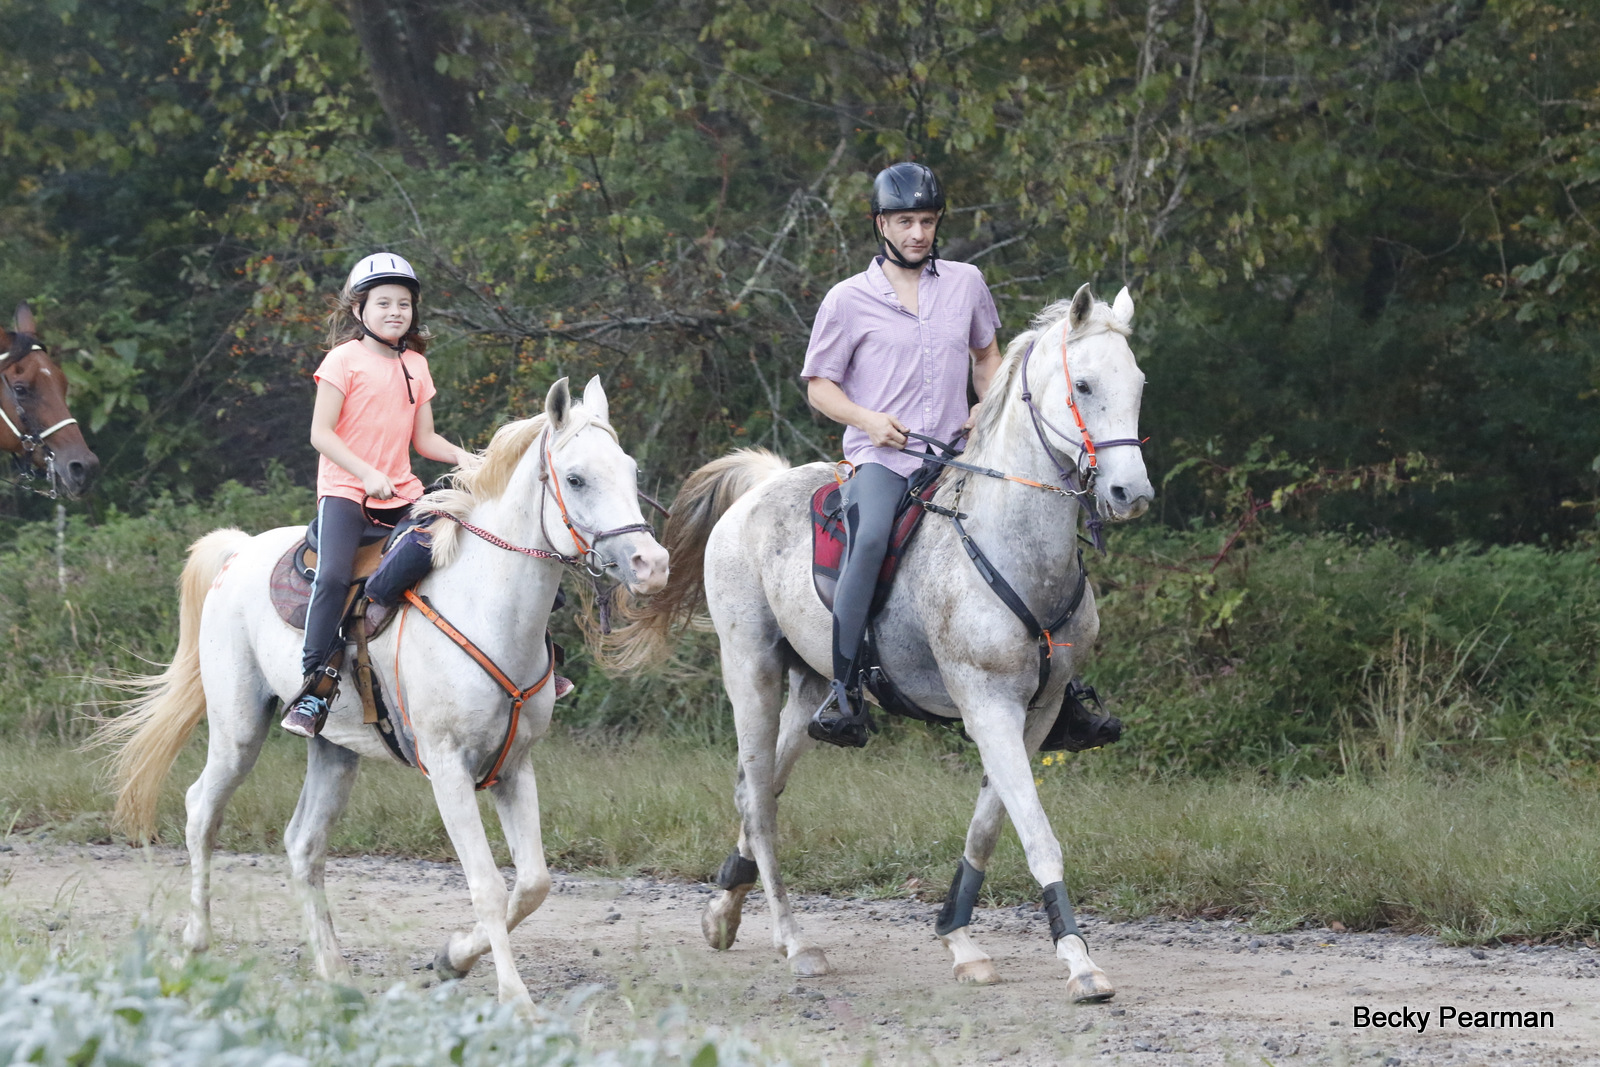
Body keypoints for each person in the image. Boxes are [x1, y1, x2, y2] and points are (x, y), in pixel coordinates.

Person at [799, 162, 1004, 747]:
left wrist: (984, 406)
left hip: (959, 456)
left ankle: (1054, 688)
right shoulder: (847, 300)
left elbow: (987, 356)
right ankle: (842, 693)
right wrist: (867, 420)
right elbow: (819, 387)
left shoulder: (966, 283)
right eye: (906, 221)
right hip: (883, 458)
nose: (918, 233)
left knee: (1029, 525)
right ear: (880, 224)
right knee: (867, 539)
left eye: (928, 221)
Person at [280, 253, 474, 738]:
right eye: (383, 302)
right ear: (359, 309)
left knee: (463, 542)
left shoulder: (416, 365)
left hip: (402, 493)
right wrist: (365, 473)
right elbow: (320, 434)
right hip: (347, 491)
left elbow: (425, 442)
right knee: (332, 578)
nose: (395, 311)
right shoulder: (342, 360)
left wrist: (470, 460)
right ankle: (312, 688)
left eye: (403, 304)